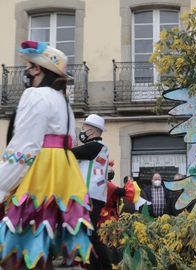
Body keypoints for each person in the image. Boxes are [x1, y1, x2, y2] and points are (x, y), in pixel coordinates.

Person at [0, 40, 92, 268]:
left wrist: (2, 184)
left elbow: (25, 147)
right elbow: (68, 140)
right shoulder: (64, 102)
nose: (27, 71)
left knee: (22, 245)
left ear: (37, 69)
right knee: (46, 242)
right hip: (64, 175)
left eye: (29, 66)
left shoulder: (35, 95)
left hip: (40, 173)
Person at [71, 113, 111, 270]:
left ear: (92, 131)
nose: (82, 130)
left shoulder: (95, 146)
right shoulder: (96, 148)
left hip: (91, 197)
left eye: (84, 127)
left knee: (89, 233)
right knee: (87, 233)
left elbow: (70, 152)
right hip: (92, 196)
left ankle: (104, 266)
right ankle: (97, 266)